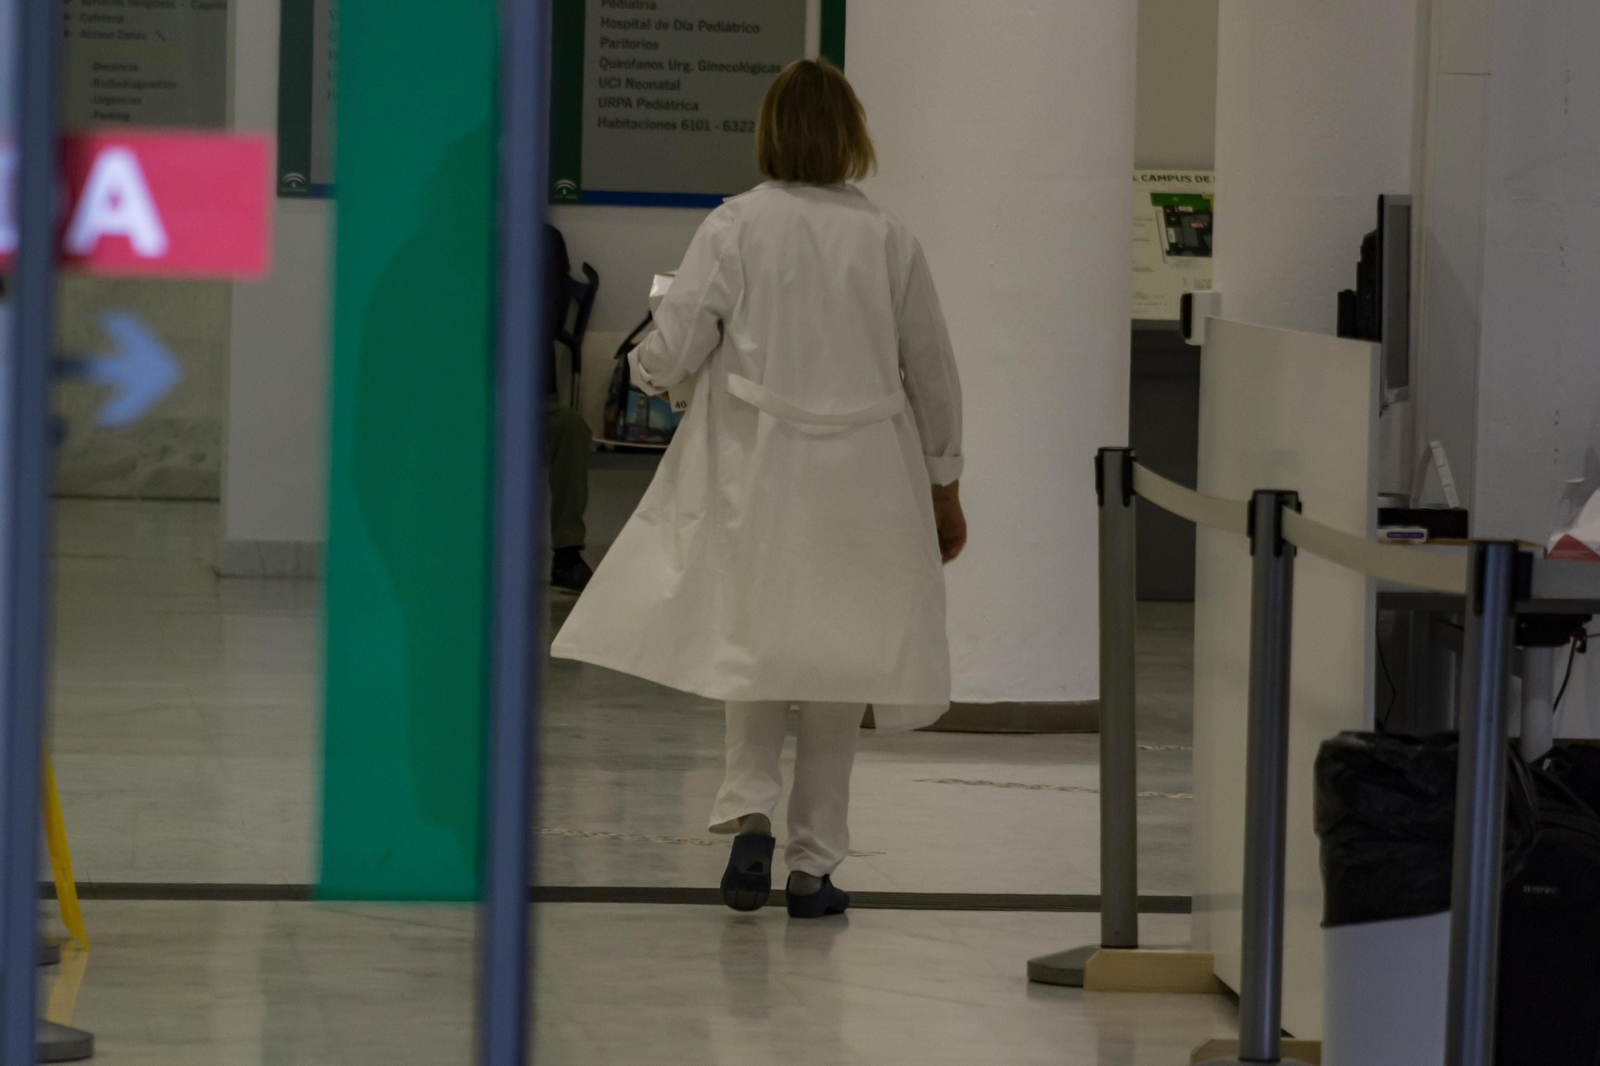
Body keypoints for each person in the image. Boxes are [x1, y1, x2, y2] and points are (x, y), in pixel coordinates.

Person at [551, 59, 966, 919]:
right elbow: (932, 372)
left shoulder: (736, 225)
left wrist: (648, 369)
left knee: (757, 647)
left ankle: (750, 818)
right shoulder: (890, 239)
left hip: (757, 471)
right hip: (866, 476)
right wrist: (945, 483)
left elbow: (674, 347)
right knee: (840, 661)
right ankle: (814, 868)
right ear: (854, 136)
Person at [544, 224, 594, 594]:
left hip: (536, 401)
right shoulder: (458, 232)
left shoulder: (545, 240)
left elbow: (550, 317)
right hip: (467, 398)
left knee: (571, 427)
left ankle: (567, 554)